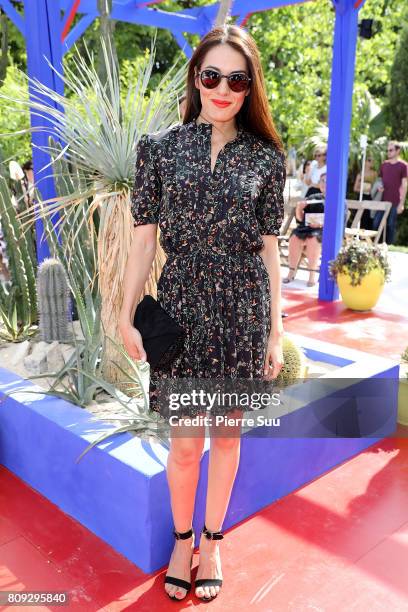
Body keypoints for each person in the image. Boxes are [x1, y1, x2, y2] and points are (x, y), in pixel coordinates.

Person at [119, 25, 286, 602]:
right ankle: (181, 537)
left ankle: (212, 541)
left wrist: (276, 331)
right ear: (195, 78)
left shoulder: (267, 159)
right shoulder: (160, 149)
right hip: (183, 306)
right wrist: (126, 314)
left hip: (243, 308)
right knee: (186, 443)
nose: (222, 88)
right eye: (211, 75)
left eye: (236, 79)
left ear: (249, 88)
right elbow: (143, 242)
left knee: (229, 438)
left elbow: (269, 251)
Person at [283, 172, 326, 287]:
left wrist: (322, 224)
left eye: (327, 181)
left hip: (326, 231)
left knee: (312, 239)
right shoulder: (313, 198)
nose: (324, 184)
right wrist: (299, 209)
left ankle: (312, 275)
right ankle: (291, 272)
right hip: (308, 228)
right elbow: (300, 219)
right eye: (322, 181)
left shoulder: (337, 200)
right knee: (294, 237)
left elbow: (340, 220)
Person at [372, 141, 407, 244]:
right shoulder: (384, 165)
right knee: (376, 223)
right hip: (382, 200)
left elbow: (405, 185)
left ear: (398, 151)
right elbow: (379, 181)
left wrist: (401, 204)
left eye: (391, 150)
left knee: (391, 225)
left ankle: (388, 247)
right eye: (387, 150)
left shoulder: (403, 166)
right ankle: (374, 246)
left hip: (395, 201)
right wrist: (379, 188)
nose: (388, 152)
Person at [352, 156, 378, 230]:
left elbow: (376, 186)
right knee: (360, 216)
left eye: (373, 161)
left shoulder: (374, 174)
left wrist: (371, 190)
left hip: (370, 197)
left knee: (368, 217)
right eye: (369, 160)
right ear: (365, 161)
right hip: (361, 197)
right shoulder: (360, 174)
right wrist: (363, 189)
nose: (371, 162)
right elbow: (355, 188)